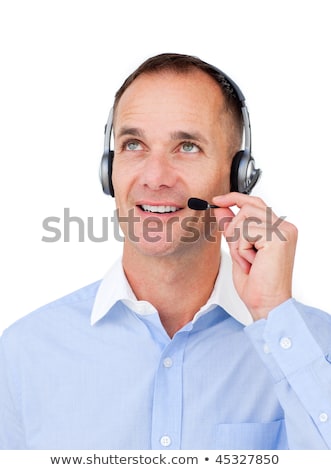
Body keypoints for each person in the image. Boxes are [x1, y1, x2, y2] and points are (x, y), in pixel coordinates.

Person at [1, 53, 331, 450]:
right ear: (109, 169)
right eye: (134, 144)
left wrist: (274, 314)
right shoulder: (23, 353)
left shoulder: (313, 349)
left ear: (239, 176)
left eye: (187, 146)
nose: (155, 177)